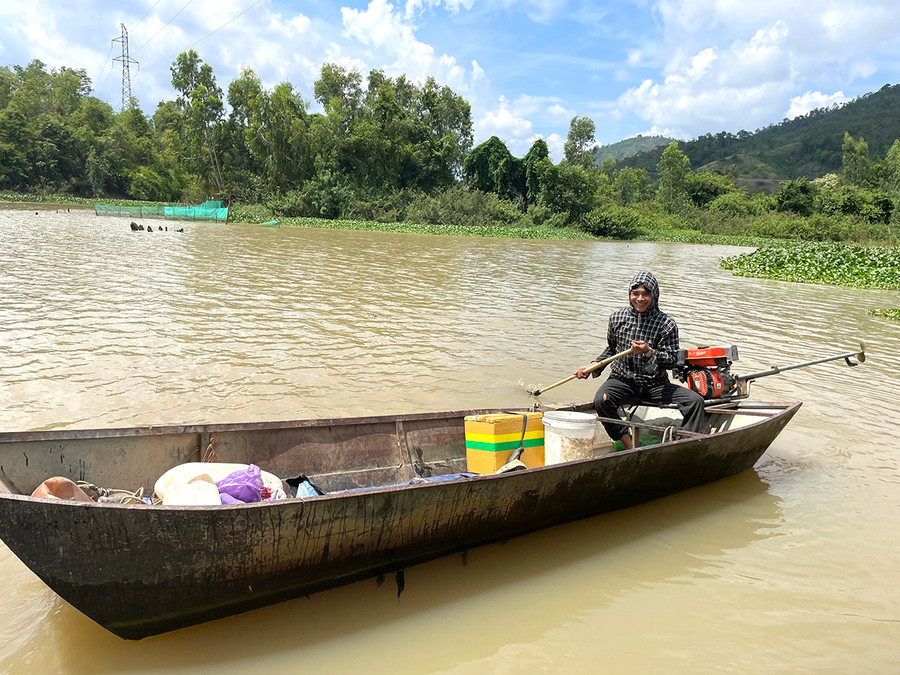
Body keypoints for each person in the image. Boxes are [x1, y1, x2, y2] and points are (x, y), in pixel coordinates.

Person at [574, 271, 707, 449]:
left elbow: (671, 360)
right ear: (629, 294)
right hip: (622, 379)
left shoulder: (666, 323)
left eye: (646, 294)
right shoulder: (616, 318)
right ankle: (630, 446)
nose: (640, 299)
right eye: (635, 293)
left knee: (695, 402)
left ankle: (683, 445)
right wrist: (594, 366)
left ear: (654, 295)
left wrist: (648, 352)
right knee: (602, 400)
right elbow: (612, 349)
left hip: (655, 384)